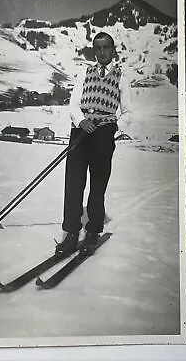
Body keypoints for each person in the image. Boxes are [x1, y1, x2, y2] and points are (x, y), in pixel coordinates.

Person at [56, 32, 133, 254]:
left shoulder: (121, 76)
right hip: (80, 131)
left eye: (106, 47)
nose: (102, 52)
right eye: (97, 48)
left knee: (97, 185)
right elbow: (73, 105)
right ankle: (71, 234)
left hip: (103, 134)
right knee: (73, 183)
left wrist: (112, 128)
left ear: (113, 49)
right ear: (94, 50)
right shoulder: (84, 72)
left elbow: (127, 113)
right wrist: (81, 121)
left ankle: (92, 231)